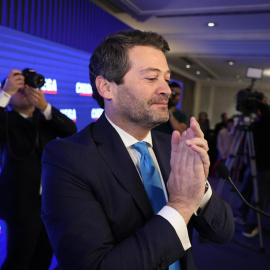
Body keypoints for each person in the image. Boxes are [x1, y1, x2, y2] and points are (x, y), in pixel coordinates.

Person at [41, 30, 234, 270]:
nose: (167, 90)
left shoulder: (174, 148)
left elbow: (223, 233)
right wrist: (181, 206)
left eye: (167, 78)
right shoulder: (68, 157)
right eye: (152, 78)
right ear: (106, 87)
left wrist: (199, 187)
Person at [0, 69, 77, 270]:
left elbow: (70, 130)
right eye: (19, 90)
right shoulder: (6, 120)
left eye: (28, 88)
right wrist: (5, 93)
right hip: (20, 204)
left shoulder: (45, 118)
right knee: (19, 259)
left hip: (50, 202)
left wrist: (45, 106)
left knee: (44, 257)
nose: (25, 92)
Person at [241, 98, 270, 237]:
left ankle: (254, 225)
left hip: (265, 166)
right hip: (254, 163)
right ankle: (242, 215)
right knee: (247, 189)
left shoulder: (263, 124)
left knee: (260, 197)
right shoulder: (256, 125)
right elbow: (251, 142)